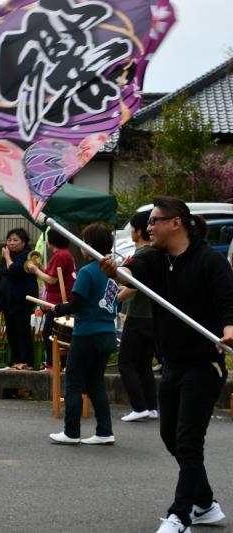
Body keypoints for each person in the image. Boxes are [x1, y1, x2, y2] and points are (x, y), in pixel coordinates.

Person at [100, 197, 233, 533]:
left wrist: (229, 331)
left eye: (155, 221)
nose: (149, 228)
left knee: (188, 441)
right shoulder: (154, 259)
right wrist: (119, 271)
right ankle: (205, 503)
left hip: (205, 364)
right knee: (171, 437)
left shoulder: (209, 261)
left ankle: (181, 514)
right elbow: (133, 273)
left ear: (176, 222)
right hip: (171, 363)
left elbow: (227, 303)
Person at [49, 224, 118, 446]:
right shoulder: (112, 272)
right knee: (95, 382)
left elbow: (77, 304)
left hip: (87, 333)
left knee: (73, 382)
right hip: (107, 333)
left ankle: (71, 432)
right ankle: (104, 431)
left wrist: (58, 309)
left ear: (88, 247)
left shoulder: (87, 271)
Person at [117, 210, 158, 422]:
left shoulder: (143, 255)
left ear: (139, 231)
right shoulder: (155, 253)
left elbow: (133, 287)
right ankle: (151, 407)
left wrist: (116, 298)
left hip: (139, 315)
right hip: (152, 316)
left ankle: (139, 406)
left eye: (133, 229)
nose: (131, 232)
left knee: (125, 362)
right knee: (143, 364)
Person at [28, 229, 76, 370]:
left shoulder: (60, 256)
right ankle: (59, 364)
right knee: (61, 335)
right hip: (62, 300)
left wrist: (36, 271)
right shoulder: (65, 254)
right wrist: (40, 267)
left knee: (50, 334)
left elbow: (52, 279)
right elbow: (51, 274)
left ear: (51, 241)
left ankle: (52, 364)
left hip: (58, 302)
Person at [0, 228, 38, 370]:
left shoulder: (26, 256)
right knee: (11, 332)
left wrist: (7, 258)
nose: (11, 243)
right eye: (9, 240)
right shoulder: (7, 257)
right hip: (7, 302)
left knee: (22, 332)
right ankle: (15, 361)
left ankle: (27, 362)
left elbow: (13, 270)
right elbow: (1, 276)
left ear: (23, 242)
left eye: (15, 240)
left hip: (21, 302)